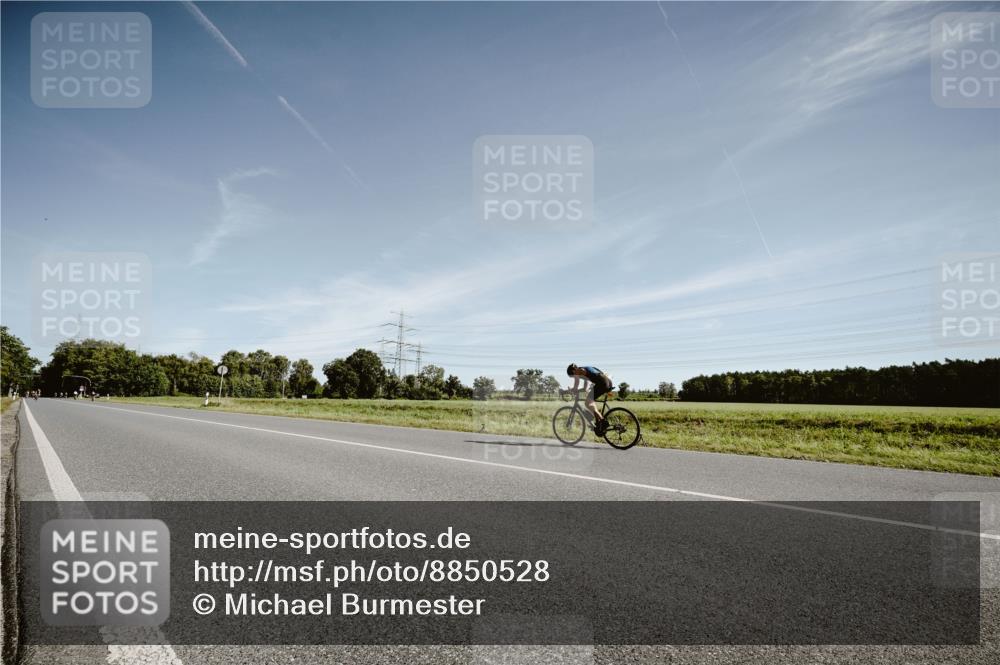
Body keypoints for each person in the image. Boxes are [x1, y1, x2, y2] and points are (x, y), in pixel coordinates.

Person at [566, 364, 613, 433]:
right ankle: (598, 422)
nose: (574, 377)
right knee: (590, 400)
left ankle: (603, 422)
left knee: (588, 403)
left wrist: (569, 391)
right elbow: (585, 388)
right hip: (607, 381)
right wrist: (581, 391)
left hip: (602, 383)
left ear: (573, 371)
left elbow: (576, 386)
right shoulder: (584, 370)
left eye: (572, 376)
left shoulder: (578, 371)